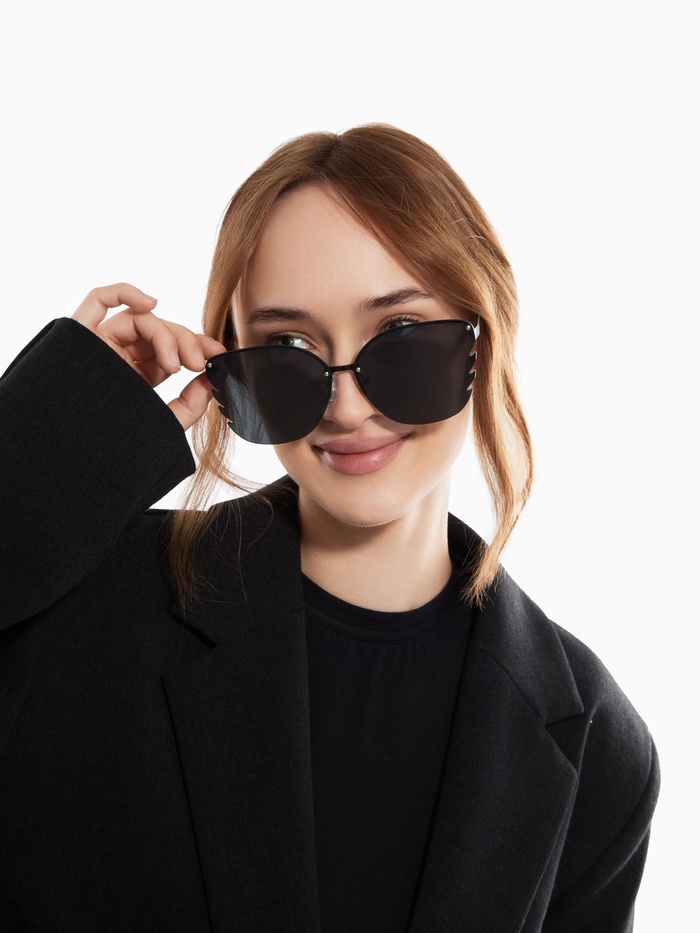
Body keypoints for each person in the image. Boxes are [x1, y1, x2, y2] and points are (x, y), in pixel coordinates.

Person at [0, 124, 659, 932]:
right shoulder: (90, 603)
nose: (346, 406)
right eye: (287, 346)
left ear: (484, 340)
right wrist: (61, 427)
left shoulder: (596, 742)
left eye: (401, 336)